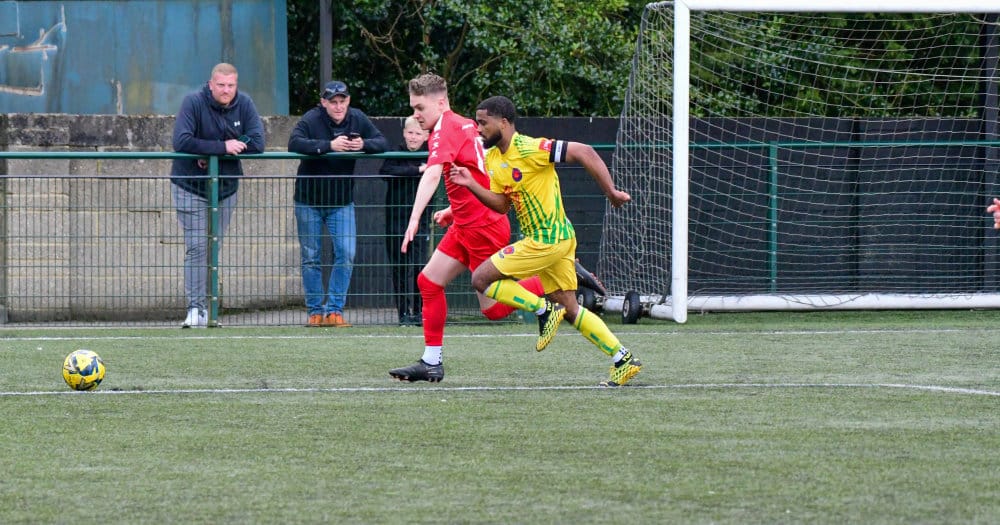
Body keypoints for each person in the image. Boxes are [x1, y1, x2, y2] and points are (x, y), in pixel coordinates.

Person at [448, 95, 642, 387]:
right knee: (571, 308)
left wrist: (611, 192)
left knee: (481, 279)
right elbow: (502, 205)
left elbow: (584, 151)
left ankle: (544, 310)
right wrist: (471, 184)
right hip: (557, 240)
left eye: (483, 123)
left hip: (546, 240)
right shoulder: (494, 159)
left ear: (504, 123)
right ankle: (622, 359)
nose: (478, 128)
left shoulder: (530, 148)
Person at [388, 74, 549, 383]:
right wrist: (453, 210)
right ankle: (431, 361)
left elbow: (433, 173)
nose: (416, 115)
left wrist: (414, 217)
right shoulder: (463, 124)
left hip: (482, 227)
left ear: (440, 102)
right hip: (467, 224)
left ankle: (554, 277)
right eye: (413, 108)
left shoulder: (445, 128)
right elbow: (480, 170)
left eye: (420, 108)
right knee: (428, 282)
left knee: (493, 309)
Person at [288, 81, 389, 327]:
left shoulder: (357, 118)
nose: (338, 106)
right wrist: (328, 147)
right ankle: (315, 312)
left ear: (348, 101)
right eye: (333, 101)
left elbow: (382, 142)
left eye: (342, 101)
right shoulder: (311, 118)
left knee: (346, 253)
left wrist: (363, 145)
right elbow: (294, 143)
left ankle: (334, 311)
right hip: (308, 200)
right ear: (323, 102)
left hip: (341, 202)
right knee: (310, 257)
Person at [171, 62, 265, 328]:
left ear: (237, 85)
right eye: (221, 85)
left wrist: (228, 146)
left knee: (213, 247)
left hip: (225, 189)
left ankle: (209, 310)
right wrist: (221, 147)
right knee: (198, 247)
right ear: (211, 84)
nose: (226, 90)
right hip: (190, 186)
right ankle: (195, 309)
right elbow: (182, 141)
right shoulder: (193, 102)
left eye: (231, 85)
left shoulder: (244, 104)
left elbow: (257, 142)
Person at [380, 116, 430, 326]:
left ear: (426, 136)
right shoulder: (395, 153)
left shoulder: (430, 155)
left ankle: (418, 312)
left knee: (420, 266)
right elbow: (385, 172)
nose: (413, 137)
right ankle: (403, 313)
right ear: (403, 133)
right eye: (410, 132)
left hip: (421, 222)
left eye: (418, 133)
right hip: (396, 221)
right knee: (399, 267)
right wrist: (417, 170)